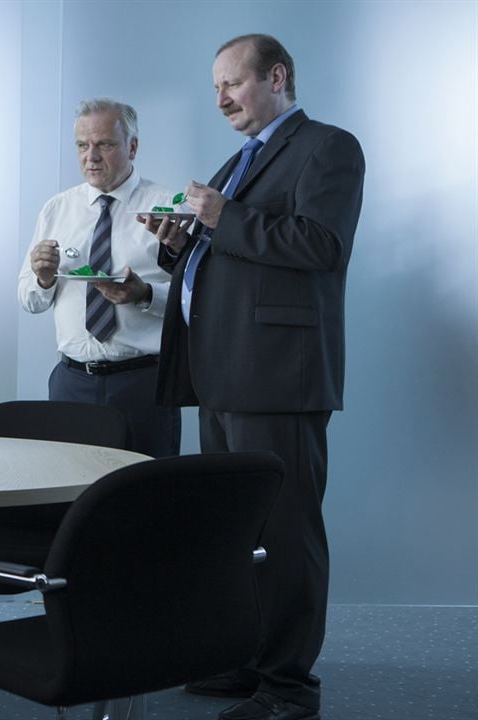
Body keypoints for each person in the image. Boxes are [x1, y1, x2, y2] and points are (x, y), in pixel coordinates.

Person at [141, 34, 364, 720]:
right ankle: (246, 662)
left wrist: (219, 215)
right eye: (214, 89)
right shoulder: (244, 159)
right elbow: (238, 249)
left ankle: (289, 689)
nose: (221, 99)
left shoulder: (329, 147)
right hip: (223, 374)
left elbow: (319, 246)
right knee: (238, 531)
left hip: (279, 378)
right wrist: (184, 241)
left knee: (287, 532)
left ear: (277, 76)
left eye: (231, 84)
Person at [18, 98, 181, 459]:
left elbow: (198, 299)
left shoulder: (168, 208)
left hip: (143, 384)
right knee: (68, 498)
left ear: (132, 147)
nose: (90, 156)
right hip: (72, 383)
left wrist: (144, 294)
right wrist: (42, 278)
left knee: (148, 500)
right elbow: (29, 299)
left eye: (104, 144)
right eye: (82, 145)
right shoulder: (57, 209)